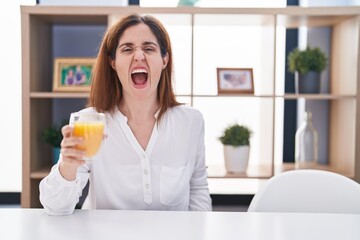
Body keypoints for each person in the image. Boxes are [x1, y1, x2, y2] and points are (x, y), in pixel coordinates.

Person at [39, 14, 212, 215]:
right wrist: (67, 166)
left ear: (164, 59)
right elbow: (55, 207)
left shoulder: (190, 121)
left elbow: (198, 189)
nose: (139, 56)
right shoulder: (89, 121)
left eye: (149, 48)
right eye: (127, 49)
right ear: (113, 62)